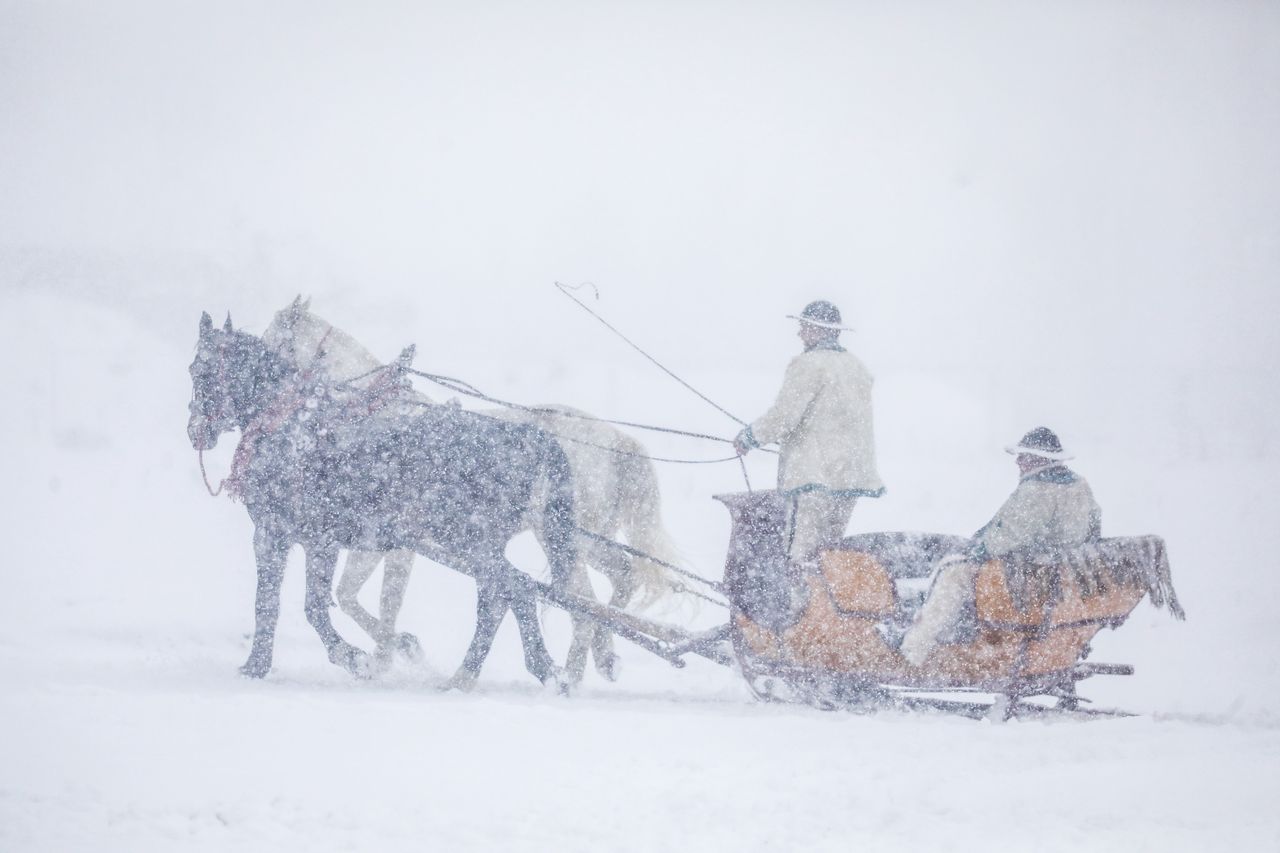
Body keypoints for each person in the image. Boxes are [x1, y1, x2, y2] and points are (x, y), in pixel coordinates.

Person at [898, 426, 1102, 666]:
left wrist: (976, 550)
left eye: (1024, 456)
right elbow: (1093, 526)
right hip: (1058, 572)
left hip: (1030, 574)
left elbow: (1009, 535)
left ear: (1039, 459)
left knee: (952, 574)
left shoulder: (1036, 490)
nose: (1018, 462)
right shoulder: (1079, 485)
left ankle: (914, 648)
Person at [734, 300, 885, 563]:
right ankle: (822, 602)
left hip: (814, 479)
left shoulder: (808, 364)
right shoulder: (857, 368)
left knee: (800, 557)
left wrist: (750, 437)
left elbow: (784, 416)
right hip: (850, 479)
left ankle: (799, 603)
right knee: (828, 557)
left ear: (818, 330)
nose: (799, 333)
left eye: (804, 327)